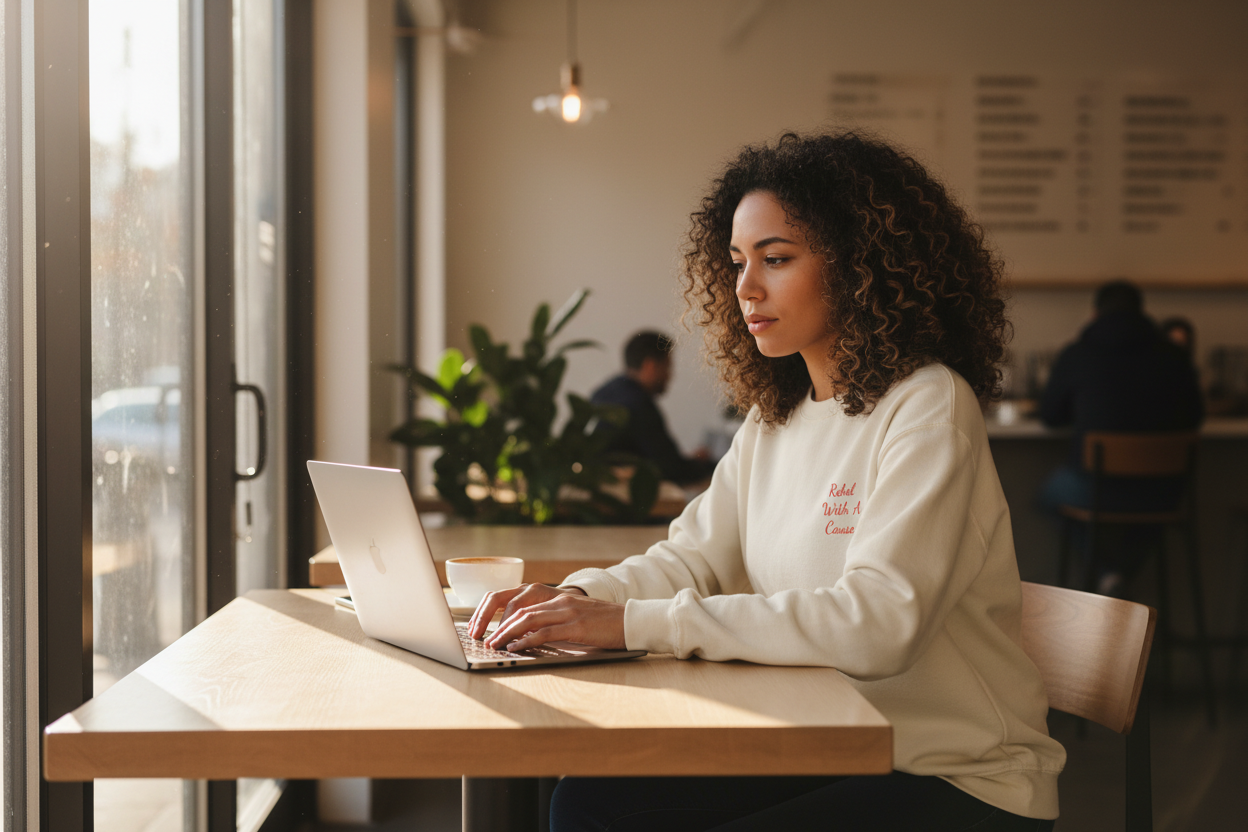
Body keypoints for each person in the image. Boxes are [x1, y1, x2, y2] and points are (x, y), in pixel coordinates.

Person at [469, 132, 1064, 831]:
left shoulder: (928, 403)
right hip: (831, 743)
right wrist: (572, 600)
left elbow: (878, 623)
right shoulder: (773, 417)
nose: (746, 288)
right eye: (737, 262)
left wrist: (630, 624)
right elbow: (692, 557)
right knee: (590, 803)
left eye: (776, 259)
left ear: (859, 266)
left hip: (956, 773)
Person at [1038, 281, 1203, 595]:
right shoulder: (1174, 356)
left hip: (1094, 489)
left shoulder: (1078, 354)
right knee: (1152, 515)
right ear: (1142, 314)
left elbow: (1050, 416)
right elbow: (1195, 417)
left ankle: (1107, 570)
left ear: (1094, 314)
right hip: (1165, 491)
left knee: (1048, 496)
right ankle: (1121, 572)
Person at [590, 330, 716, 485]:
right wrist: (709, 464)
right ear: (650, 366)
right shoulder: (638, 405)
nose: (670, 376)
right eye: (667, 367)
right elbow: (671, 469)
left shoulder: (606, 391)